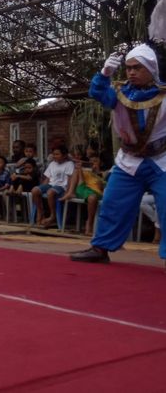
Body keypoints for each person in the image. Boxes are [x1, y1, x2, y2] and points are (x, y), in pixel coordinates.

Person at [71, 44, 166, 264]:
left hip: (161, 160)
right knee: (113, 203)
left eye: (137, 67)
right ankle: (100, 248)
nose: (131, 72)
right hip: (129, 161)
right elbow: (97, 92)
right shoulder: (118, 93)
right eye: (128, 67)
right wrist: (104, 74)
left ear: (151, 69)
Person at [60, 153, 107, 235]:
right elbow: (80, 181)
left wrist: (96, 174)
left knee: (93, 197)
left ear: (101, 163)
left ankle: (90, 222)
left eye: (95, 161)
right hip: (84, 188)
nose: (93, 163)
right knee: (77, 170)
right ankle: (70, 192)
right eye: (91, 161)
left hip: (98, 192)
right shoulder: (85, 171)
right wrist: (82, 170)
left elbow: (104, 186)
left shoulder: (104, 173)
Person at [31, 145, 75, 228]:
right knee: (35, 190)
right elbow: (47, 178)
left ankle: (53, 215)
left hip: (62, 187)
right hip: (51, 184)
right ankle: (40, 212)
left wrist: (68, 191)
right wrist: (41, 188)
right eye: (54, 154)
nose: (55, 156)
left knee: (50, 192)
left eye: (57, 154)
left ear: (64, 155)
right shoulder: (52, 164)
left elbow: (70, 179)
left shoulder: (69, 164)